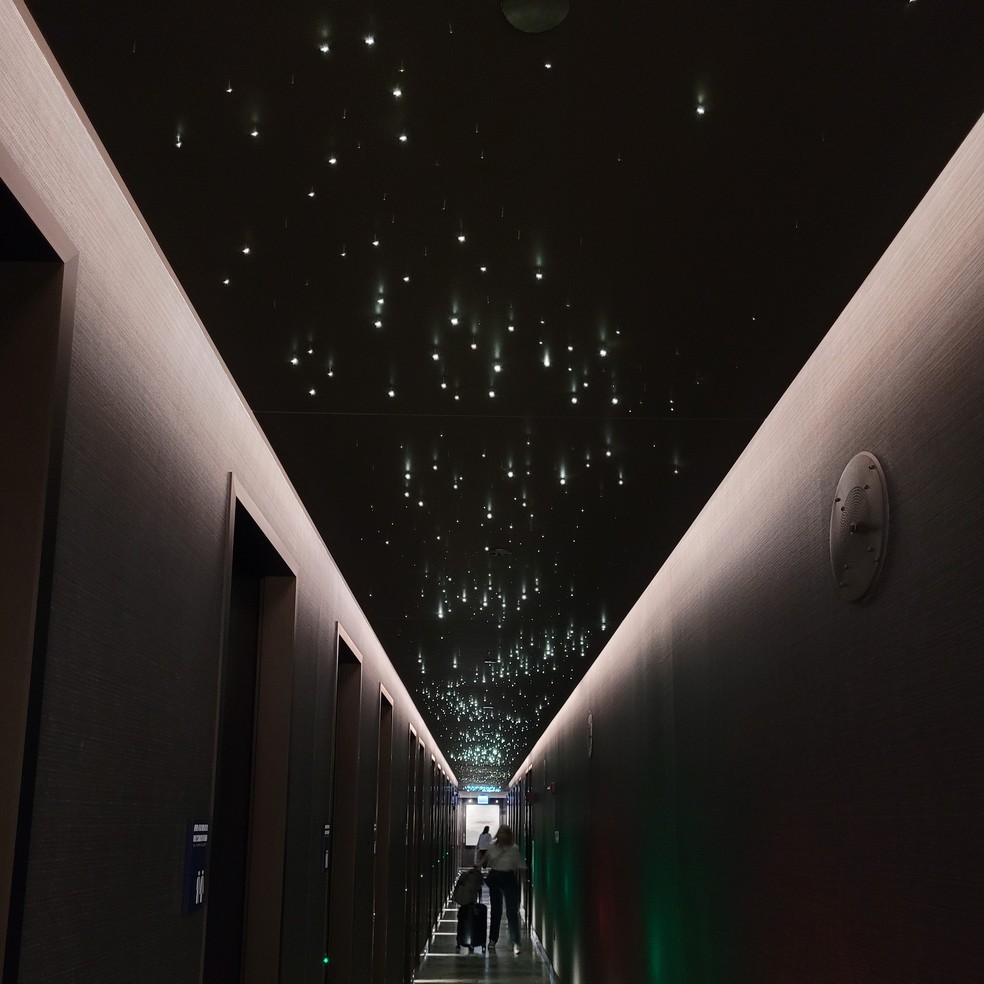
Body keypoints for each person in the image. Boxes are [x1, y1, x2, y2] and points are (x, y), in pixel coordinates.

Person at [484, 824, 526, 955]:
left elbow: (520, 865)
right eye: (500, 833)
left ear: (509, 835)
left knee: (512, 912)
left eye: (505, 834)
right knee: (496, 911)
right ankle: (492, 940)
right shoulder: (492, 847)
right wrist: (478, 864)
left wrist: (524, 881)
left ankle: (516, 942)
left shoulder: (514, 849)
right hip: (495, 878)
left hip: (509, 878)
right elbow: (485, 860)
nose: (502, 836)